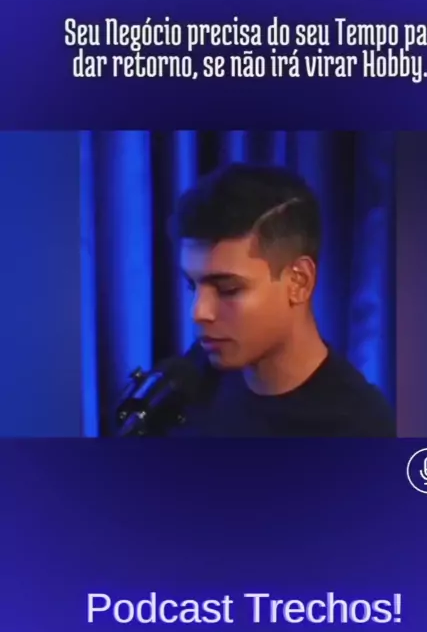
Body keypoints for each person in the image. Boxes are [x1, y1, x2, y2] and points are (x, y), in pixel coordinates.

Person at [164, 162, 396, 437]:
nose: (199, 312)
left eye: (228, 289)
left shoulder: (358, 427)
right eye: (192, 286)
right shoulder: (191, 380)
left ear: (299, 282)